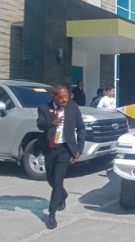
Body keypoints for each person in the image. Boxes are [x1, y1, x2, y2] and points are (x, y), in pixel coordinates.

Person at [34, 84, 85, 229]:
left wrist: (79, 149)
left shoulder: (73, 107)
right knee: (51, 179)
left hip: (65, 149)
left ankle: (51, 214)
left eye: (67, 97)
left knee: (58, 179)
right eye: (61, 97)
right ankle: (62, 194)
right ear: (54, 97)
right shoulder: (44, 108)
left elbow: (81, 128)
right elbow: (40, 124)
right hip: (50, 148)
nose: (64, 100)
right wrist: (52, 122)